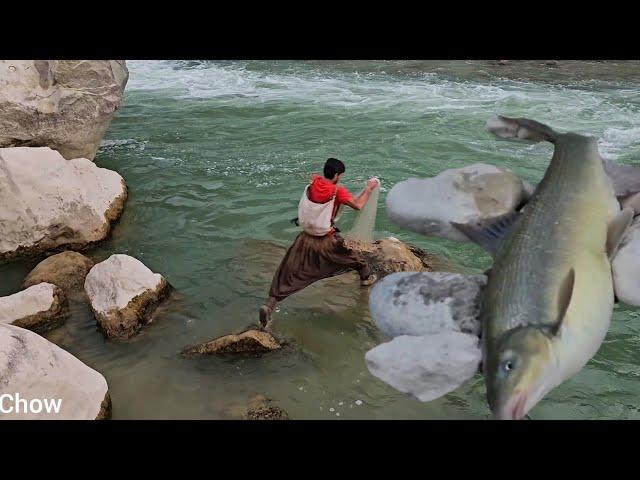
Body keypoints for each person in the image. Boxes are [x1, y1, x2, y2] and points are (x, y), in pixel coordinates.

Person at [259, 157, 379, 329]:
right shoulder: (337, 191)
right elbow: (358, 205)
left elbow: (313, 178)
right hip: (325, 240)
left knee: (286, 273)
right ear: (337, 174)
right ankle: (366, 279)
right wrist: (368, 188)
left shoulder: (313, 183)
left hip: (304, 238)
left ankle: (269, 305)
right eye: (341, 175)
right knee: (354, 258)